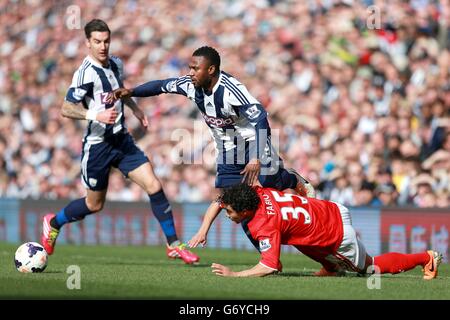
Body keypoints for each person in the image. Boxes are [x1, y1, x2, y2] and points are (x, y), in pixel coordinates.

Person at [109, 46, 315, 248]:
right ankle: (265, 253)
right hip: (227, 149)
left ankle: (292, 178)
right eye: (190, 68)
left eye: (195, 69)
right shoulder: (190, 85)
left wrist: (256, 158)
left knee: (269, 184)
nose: (190, 73)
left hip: (253, 143)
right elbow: (162, 85)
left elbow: (261, 119)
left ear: (211, 70)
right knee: (236, 204)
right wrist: (131, 91)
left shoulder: (231, 90)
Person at [40, 19, 199, 264]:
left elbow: (119, 90)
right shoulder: (85, 74)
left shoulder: (116, 63)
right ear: (87, 43)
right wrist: (96, 114)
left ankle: (174, 244)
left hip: (122, 139)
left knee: (154, 185)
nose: (103, 46)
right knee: (94, 205)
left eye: (106, 41)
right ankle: (53, 222)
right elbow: (66, 108)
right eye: (97, 42)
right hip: (98, 146)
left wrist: (134, 108)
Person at [210, 183, 442, 279]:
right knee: (298, 237)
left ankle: (426, 258)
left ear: (245, 210)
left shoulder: (264, 224)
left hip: (336, 233)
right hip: (329, 209)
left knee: (370, 268)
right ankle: (332, 268)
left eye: (230, 212)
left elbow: (270, 266)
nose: (228, 216)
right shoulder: (258, 193)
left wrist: (235, 275)